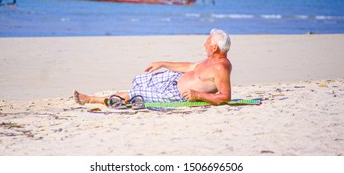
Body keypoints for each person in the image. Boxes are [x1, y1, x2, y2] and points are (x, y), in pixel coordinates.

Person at [74, 29, 232, 106]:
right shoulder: (210, 59)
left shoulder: (221, 67)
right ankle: (105, 98)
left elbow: (225, 97)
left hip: (177, 94)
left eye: (207, 42)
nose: (204, 44)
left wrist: (198, 95)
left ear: (214, 48)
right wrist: (162, 63)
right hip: (174, 80)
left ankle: (93, 100)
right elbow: (190, 66)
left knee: (137, 93)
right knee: (141, 79)